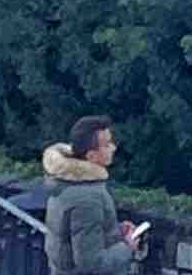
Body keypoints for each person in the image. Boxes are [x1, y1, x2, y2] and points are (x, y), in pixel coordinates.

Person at [39, 117, 147, 275]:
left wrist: (116, 231)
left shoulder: (67, 183)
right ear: (91, 156)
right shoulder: (87, 198)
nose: (114, 148)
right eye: (107, 145)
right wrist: (127, 247)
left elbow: (79, 235)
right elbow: (91, 264)